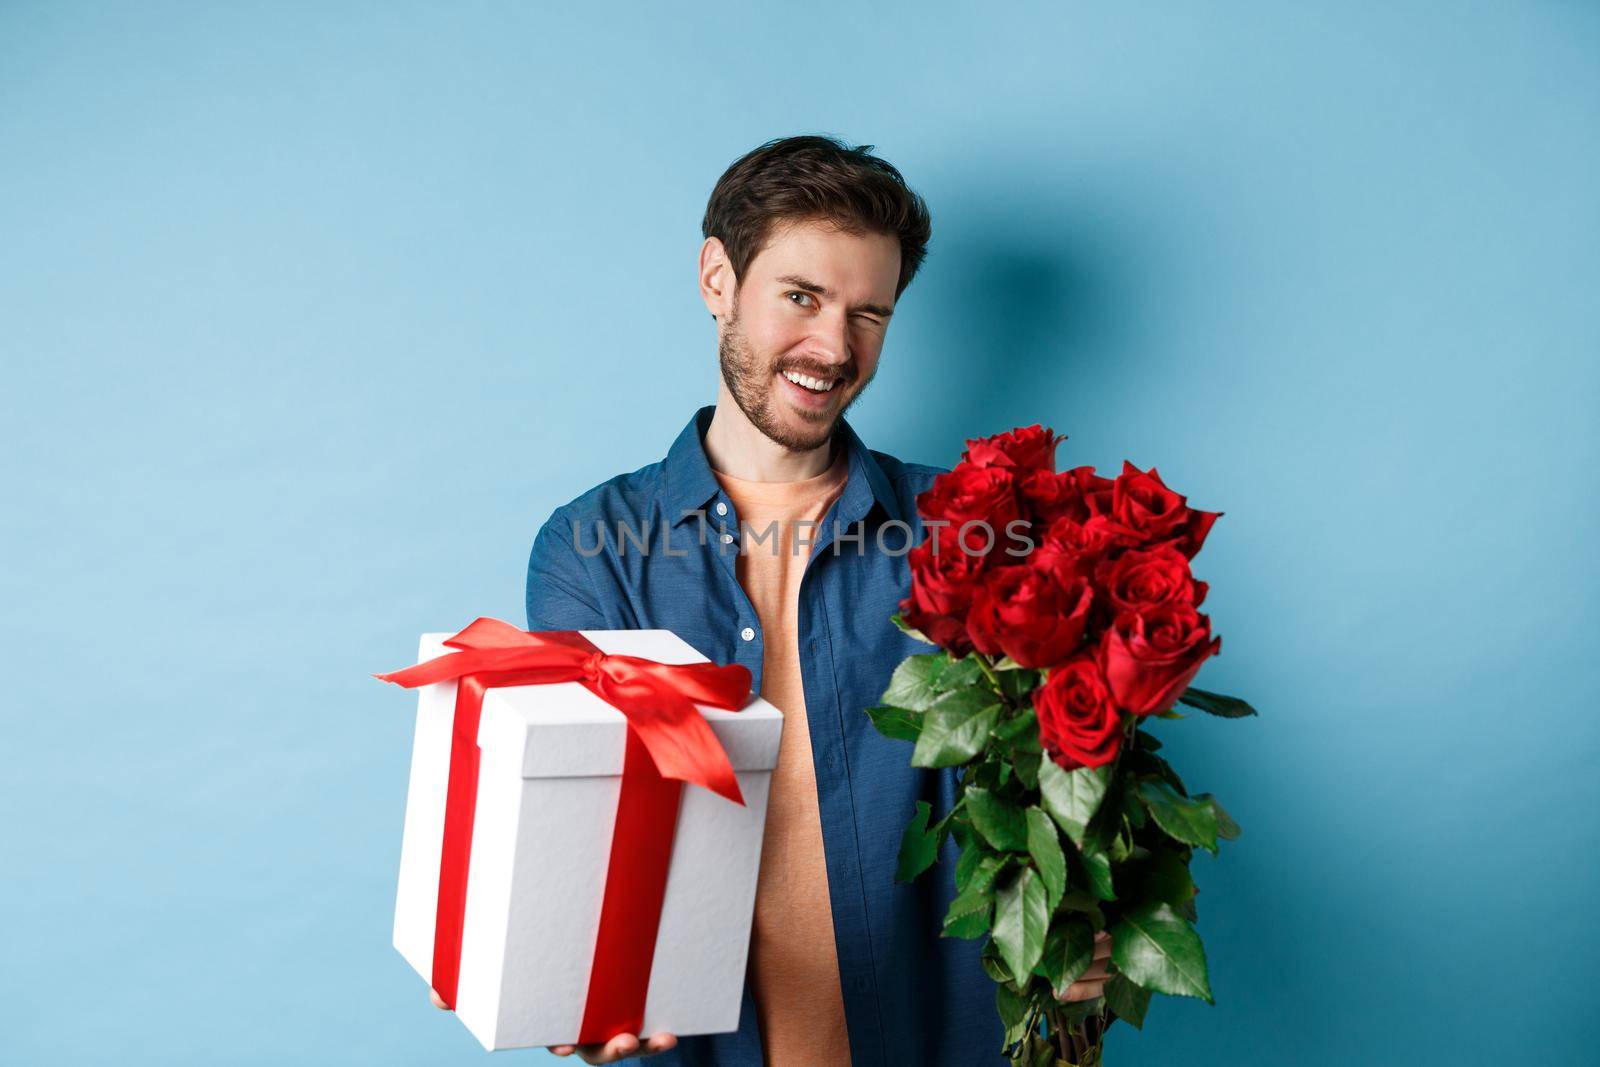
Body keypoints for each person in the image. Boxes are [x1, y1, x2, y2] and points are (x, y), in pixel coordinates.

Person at [433, 134, 1111, 1065]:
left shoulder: (966, 525)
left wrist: (1079, 928)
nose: (834, 348)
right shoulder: (593, 548)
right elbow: (582, 830)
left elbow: (1049, 791)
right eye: (802, 297)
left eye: (868, 313)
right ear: (718, 277)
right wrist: (578, 990)